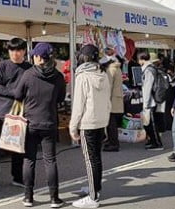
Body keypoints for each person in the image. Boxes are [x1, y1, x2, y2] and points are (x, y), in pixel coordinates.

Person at [12, 42, 66, 208]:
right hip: (49, 121)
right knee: (50, 161)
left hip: (30, 122)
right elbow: (61, 99)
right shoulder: (58, 76)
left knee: (29, 160)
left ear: (37, 57)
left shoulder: (28, 74)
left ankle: (28, 197)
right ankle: (54, 198)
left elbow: (17, 95)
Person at [0, 38, 31, 192]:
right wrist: (15, 93)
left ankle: (17, 177)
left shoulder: (29, 68)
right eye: (12, 50)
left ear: (24, 51)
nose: (15, 54)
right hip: (2, 112)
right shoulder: (2, 66)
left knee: (18, 147)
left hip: (21, 113)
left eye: (18, 50)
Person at [69, 45, 111, 209]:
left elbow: (78, 105)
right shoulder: (102, 73)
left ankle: (93, 197)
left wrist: (73, 127)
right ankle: (95, 188)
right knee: (96, 158)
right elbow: (107, 101)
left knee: (90, 159)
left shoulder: (83, 76)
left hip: (88, 122)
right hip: (101, 121)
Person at [139, 51, 163, 151]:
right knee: (148, 123)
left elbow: (147, 87)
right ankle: (152, 141)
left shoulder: (148, 70)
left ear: (141, 59)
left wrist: (146, 103)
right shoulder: (151, 69)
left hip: (150, 101)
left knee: (151, 124)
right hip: (150, 101)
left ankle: (157, 143)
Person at [101, 47, 124, 152]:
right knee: (113, 121)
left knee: (111, 123)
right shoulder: (118, 67)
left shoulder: (111, 69)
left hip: (112, 98)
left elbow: (108, 86)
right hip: (117, 97)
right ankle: (112, 141)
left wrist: (104, 99)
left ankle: (113, 143)